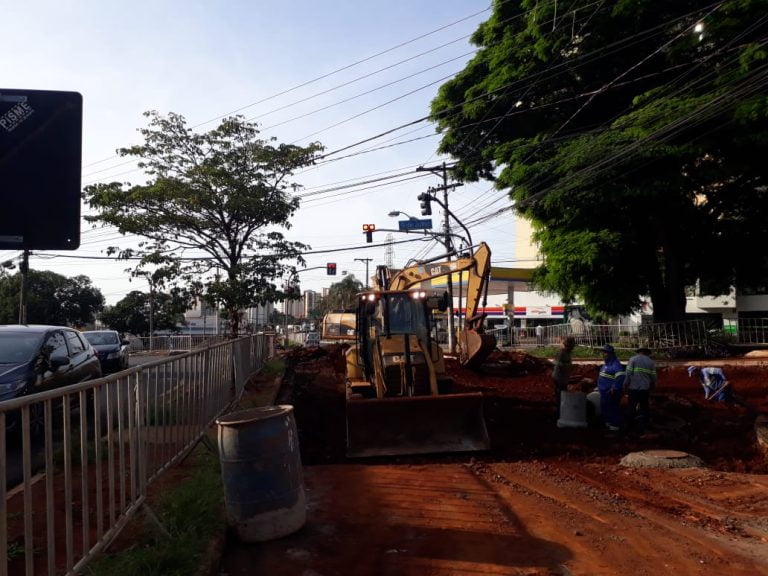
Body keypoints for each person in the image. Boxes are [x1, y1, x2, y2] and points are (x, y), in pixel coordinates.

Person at [624, 347, 657, 433]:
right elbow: (653, 377)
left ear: (638, 352)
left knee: (631, 407)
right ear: (647, 353)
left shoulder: (632, 359)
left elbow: (628, 373)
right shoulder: (650, 362)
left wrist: (625, 384)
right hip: (644, 389)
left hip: (633, 388)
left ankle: (630, 426)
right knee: (644, 407)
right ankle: (644, 425)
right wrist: (653, 386)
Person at [597, 344, 625, 431]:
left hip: (610, 392)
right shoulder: (606, 364)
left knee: (613, 408)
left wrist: (614, 387)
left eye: (606, 353)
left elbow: (621, 376)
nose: (604, 354)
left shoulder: (615, 364)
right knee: (605, 407)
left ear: (611, 354)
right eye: (603, 352)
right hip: (604, 392)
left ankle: (615, 426)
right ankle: (608, 423)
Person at [552, 336, 576, 418]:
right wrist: (568, 366)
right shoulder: (562, 353)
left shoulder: (567, 353)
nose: (572, 348)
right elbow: (556, 363)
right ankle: (560, 413)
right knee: (560, 396)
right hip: (559, 377)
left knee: (562, 395)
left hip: (563, 377)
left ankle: (561, 412)